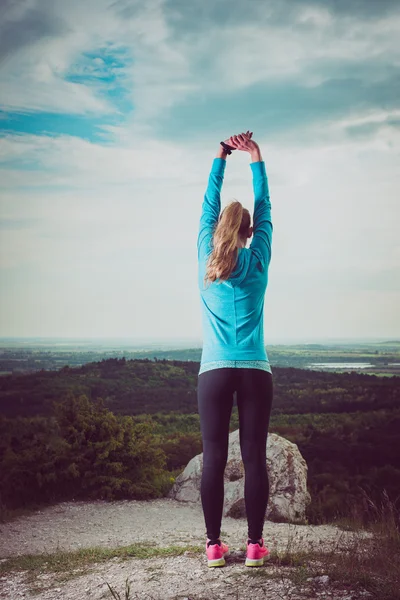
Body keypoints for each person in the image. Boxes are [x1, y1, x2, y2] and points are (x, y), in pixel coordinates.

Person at [197, 131, 274, 568]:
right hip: (255, 371)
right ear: (249, 232)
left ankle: (212, 546)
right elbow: (265, 210)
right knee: (253, 456)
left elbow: (208, 206)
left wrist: (220, 158)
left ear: (218, 231)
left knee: (213, 455)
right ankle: (254, 546)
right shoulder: (258, 260)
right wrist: (255, 159)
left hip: (214, 372)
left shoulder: (204, 259)